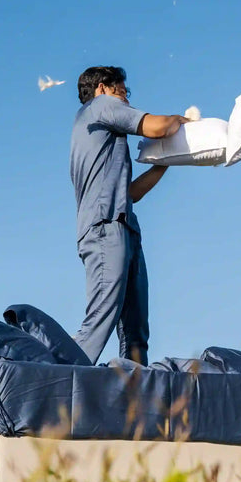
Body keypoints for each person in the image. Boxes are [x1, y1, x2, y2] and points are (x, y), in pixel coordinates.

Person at [70, 65, 186, 365]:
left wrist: (163, 164)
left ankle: (136, 401)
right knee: (100, 319)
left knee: (136, 332)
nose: (126, 99)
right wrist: (183, 123)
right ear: (102, 88)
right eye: (122, 91)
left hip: (124, 227)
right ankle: (53, 386)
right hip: (105, 228)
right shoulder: (98, 108)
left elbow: (132, 193)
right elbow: (157, 127)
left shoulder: (103, 136)